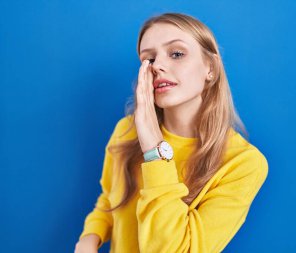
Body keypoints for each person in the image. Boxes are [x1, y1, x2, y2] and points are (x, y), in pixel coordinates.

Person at [74, 12, 268, 253]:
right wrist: (90, 237)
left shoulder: (244, 164)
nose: (158, 66)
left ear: (211, 67)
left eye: (176, 54)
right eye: (149, 59)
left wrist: (154, 149)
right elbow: (110, 198)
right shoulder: (125, 131)